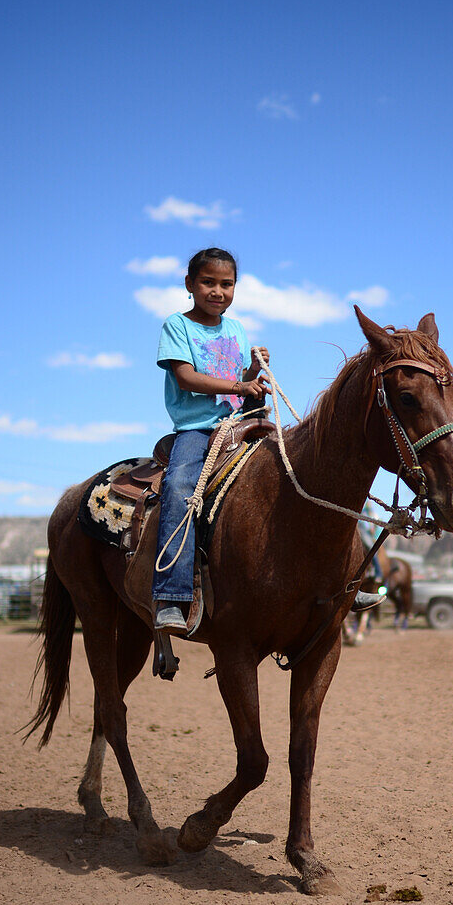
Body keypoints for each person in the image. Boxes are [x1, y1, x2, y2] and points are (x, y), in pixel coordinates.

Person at [152, 248, 269, 632]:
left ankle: (337, 583)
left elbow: (238, 379)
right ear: (190, 284)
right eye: (208, 282)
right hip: (197, 429)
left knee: (301, 465)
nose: (217, 291)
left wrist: (253, 370)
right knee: (180, 487)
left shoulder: (235, 328)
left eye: (226, 283)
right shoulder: (177, 325)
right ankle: (171, 596)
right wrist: (240, 382)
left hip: (241, 421)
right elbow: (186, 377)